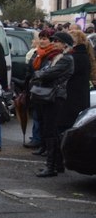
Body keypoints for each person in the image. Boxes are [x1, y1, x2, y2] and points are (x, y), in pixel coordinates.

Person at [31, 31, 77, 178]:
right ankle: (57, 164)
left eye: (57, 41)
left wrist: (38, 75)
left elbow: (47, 73)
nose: (54, 43)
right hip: (51, 96)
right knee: (51, 130)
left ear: (64, 44)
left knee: (50, 130)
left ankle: (51, 166)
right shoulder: (58, 56)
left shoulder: (66, 58)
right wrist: (40, 73)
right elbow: (45, 70)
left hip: (55, 96)